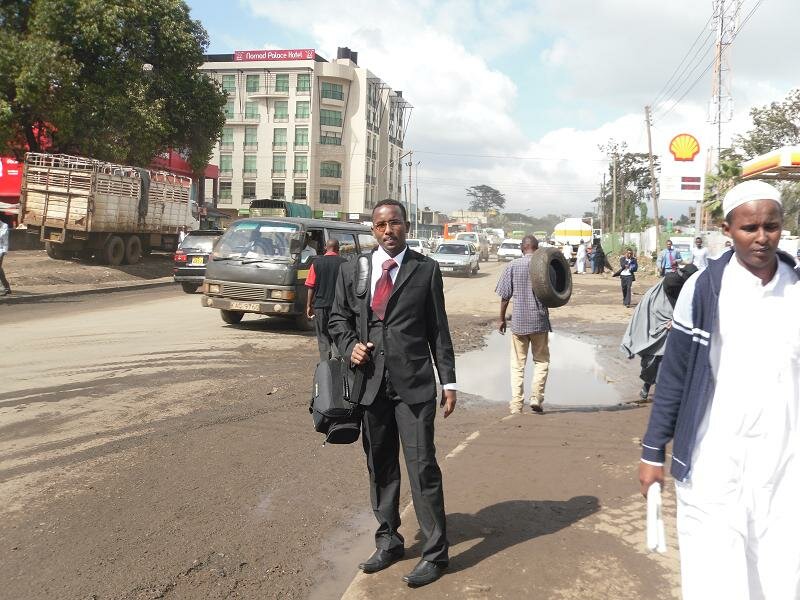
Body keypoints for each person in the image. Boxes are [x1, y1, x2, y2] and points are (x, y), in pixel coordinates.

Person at [638, 180, 800, 599]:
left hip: (784, 459)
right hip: (714, 456)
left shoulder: (796, 288)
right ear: (727, 230)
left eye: (772, 226)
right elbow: (674, 375)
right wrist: (653, 451)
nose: (762, 237)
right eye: (750, 228)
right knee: (714, 571)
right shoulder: (706, 288)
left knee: (779, 568)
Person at [329, 199, 457, 588]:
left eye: (395, 223)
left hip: (414, 386)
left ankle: (436, 554)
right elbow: (337, 318)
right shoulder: (355, 268)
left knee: (422, 469)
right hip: (370, 386)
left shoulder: (425, 269)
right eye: (382, 225)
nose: (389, 231)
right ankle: (389, 541)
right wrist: (350, 343)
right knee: (380, 467)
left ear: (405, 226)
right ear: (373, 230)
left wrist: (448, 381)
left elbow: (438, 329)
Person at [620, 265, 696, 400]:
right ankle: (647, 385)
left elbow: (691, 307)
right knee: (652, 360)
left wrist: (676, 320)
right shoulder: (668, 284)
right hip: (657, 325)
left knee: (669, 358)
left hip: (673, 327)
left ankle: (665, 390)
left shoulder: (688, 287)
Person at [495, 235, 551, 415]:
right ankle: (536, 397)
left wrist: (501, 319)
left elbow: (505, 297)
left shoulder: (512, 265)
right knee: (541, 361)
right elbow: (555, 291)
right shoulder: (544, 265)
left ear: (522, 248)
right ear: (537, 248)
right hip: (539, 321)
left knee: (517, 364)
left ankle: (516, 404)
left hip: (519, 322)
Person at [305, 238, 347, 361]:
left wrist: (309, 305)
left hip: (320, 307)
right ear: (338, 249)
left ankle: (325, 363)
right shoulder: (344, 263)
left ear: (325, 248)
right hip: (338, 308)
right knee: (337, 334)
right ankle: (337, 361)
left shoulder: (316, 263)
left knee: (323, 336)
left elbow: (310, 286)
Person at [0, 219, 10, 296]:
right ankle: (7, 287)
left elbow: (5, 241)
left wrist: (4, 252)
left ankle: (5, 287)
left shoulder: (4, 226)